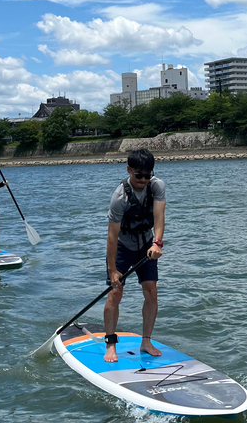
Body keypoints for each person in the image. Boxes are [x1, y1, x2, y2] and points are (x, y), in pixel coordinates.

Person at [103, 148, 166, 362]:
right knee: (116, 293)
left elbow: (159, 217)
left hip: (146, 245)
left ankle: (146, 340)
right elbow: (112, 236)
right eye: (139, 175)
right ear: (129, 170)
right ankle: (111, 344)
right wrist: (113, 271)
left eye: (148, 175)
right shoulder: (119, 197)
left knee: (151, 292)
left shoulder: (156, 186)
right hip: (122, 247)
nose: (143, 179)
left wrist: (157, 243)